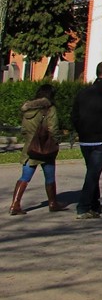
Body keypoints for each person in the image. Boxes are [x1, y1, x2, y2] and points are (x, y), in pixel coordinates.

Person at [71, 60, 102, 220]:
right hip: (101, 139)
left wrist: (80, 131)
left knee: (92, 171)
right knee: (93, 173)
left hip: (85, 138)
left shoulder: (83, 93)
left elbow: (74, 116)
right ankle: (83, 207)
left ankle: (94, 205)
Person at [10, 83, 69, 215]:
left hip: (30, 147)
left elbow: (24, 129)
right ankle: (53, 203)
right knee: (49, 176)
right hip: (45, 147)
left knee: (25, 176)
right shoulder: (49, 109)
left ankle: (15, 204)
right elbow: (53, 129)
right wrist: (57, 140)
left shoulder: (27, 109)